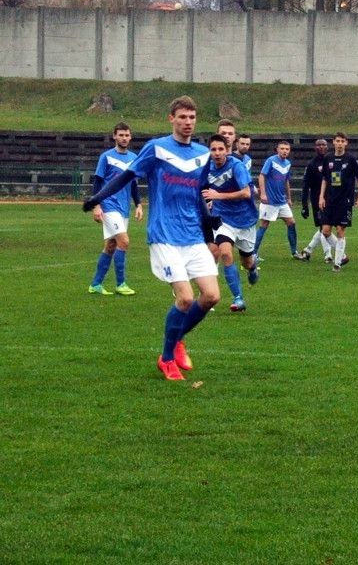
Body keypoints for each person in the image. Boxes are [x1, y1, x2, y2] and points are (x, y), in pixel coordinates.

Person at [82, 95, 220, 382]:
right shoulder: (156, 148)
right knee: (185, 298)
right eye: (182, 117)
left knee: (211, 296)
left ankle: (177, 339)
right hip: (165, 235)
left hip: (192, 235)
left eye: (192, 117)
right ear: (171, 118)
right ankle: (167, 358)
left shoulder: (202, 154)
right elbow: (126, 177)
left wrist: (209, 228)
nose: (188, 122)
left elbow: (199, 194)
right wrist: (98, 197)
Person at [201, 134, 260, 312]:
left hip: (245, 219)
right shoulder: (206, 169)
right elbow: (202, 190)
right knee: (225, 252)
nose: (217, 153)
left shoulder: (237, 166)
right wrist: (206, 201)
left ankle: (252, 268)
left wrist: (217, 196)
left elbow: (246, 193)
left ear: (227, 150)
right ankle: (238, 298)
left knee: (246, 262)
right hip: (223, 218)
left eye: (221, 149)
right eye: (213, 149)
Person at [87, 122, 143, 296]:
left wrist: (139, 204)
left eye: (127, 135)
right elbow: (97, 182)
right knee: (124, 241)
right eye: (121, 135)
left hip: (123, 207)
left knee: (111, 245)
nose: (124, 138)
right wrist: (96, 205)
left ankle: (95, 284)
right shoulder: (106, 157)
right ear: (114, 136)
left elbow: (133, 185)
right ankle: (121, 284)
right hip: (108, 205)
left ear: (130, 137)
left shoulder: (134, 158)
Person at [319, 132, 358, 272]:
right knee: (325, 231)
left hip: (345, 200)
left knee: (340, 230)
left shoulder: (350, 159)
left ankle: (337, 263)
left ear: (346, 143)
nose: (339, 143)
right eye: (337, 141)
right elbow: (325, 179)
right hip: (330, 199)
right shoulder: (328, 158)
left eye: (342, 141)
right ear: (333, 142)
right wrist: (321, 196)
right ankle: (343, 255)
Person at [254, 140, 302, 260]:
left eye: (287, 149)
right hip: (269, 201)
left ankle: (294, 251)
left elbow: (286, 181)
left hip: (282, 201)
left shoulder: (287, 163)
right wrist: (263, 194)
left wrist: (289, 197)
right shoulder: (271, 161)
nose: (284, 151)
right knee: (264, 225)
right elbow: (261, 176)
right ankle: (253, 253)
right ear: (277, 149)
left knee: (291, 223)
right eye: (282, 148)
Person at [298, 138, 333, 263]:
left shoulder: (332, 161)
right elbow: (305, 185)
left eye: (324, 145)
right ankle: (328, 255)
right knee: (323, 227)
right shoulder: (312, 164)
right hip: (317, 201)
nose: (321, 147)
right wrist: (304, 205)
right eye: (319, 145)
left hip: (332, 199)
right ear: (315, 147)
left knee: (325, 228)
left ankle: (308, 250)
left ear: (327, 147)